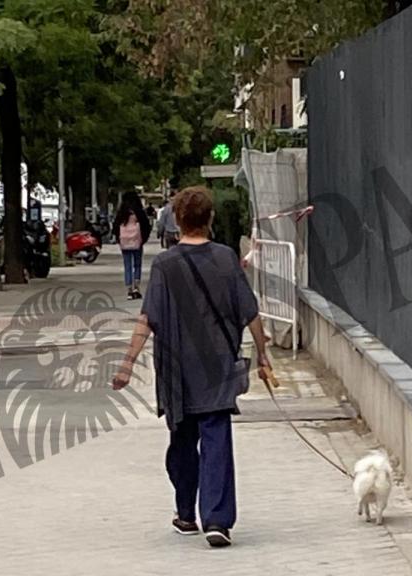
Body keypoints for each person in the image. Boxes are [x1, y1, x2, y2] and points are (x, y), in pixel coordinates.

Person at [111, 186, 271, 549]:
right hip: (216, 366)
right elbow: (250, 312)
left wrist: (126, 365)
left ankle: (186, 511)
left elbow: (147, 319)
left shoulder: (165, 265)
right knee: (216, 441)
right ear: (210, 219)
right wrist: (263, 355)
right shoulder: (226, 258)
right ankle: (216, 519)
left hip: (176, 369)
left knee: (182, 442)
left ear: (178, 221)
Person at [112, 191, 152, 300]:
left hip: (124, 241)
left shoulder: (122, 213)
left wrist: (118, 239)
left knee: (127, 265)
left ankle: (129, 289)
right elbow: (146, 226)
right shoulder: (139, 212)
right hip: (137, 241)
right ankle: (136, 287)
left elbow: (115, 226)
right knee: (137, 264)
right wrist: (143, 239)